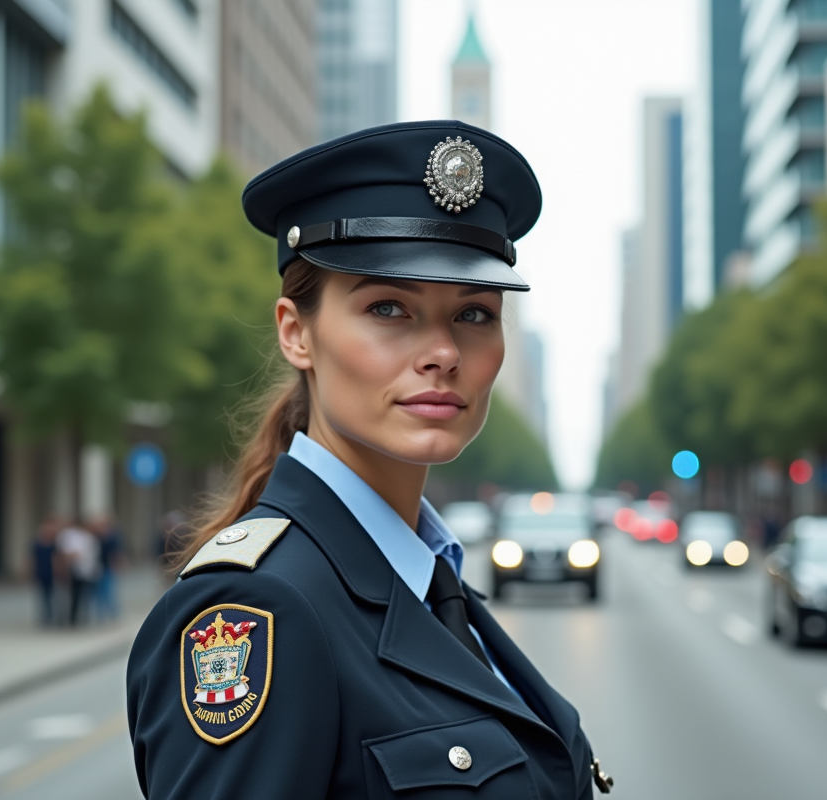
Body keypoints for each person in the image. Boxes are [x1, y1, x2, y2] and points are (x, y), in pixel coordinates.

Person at [127, 121, 612, 798]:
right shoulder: (254, 607)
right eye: (390, 308)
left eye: (474, 314)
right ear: (296, 333)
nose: (443, 351)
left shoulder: (432, 584)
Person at [57, 518, 100, 626]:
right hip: (75, 571)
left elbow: (86, 554)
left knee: (85, 596)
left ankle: (83, 616)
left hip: (86, 571)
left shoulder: (89, 538)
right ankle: (72, 617)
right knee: (74, 596)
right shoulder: (71, 536)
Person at [89, 513, 123, 622]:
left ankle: (113, 613)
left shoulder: (111, 537)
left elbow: (115, 553)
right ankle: (100, 615)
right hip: (97, 568)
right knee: (98, 593)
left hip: (107, 567)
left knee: (108, 591)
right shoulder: (95, 537)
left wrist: (117, 564)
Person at [32, 514, 60, 627]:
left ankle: (55, 615)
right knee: (44, 595)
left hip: (55, 573)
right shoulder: (38, 542)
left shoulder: (57, 541)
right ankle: (47, 616)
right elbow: (32, 558)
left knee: (56, 595)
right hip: (42, 571)